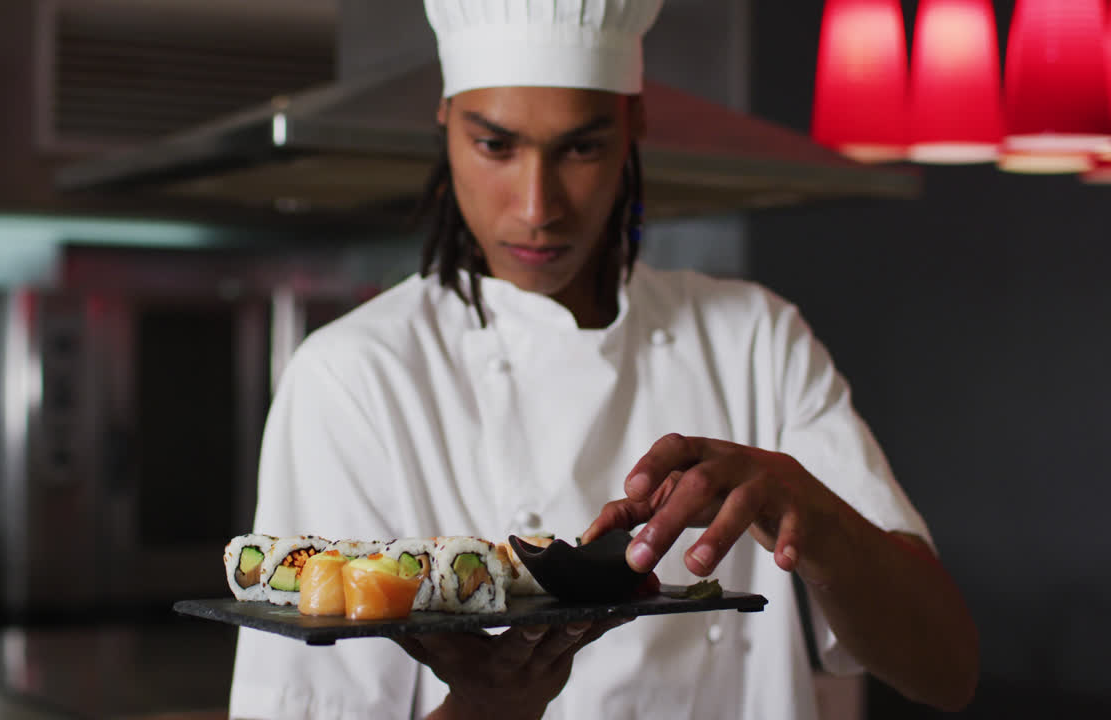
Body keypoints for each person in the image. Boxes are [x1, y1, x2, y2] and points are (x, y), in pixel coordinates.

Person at [229, 1, 978, 718]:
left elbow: (946, 671)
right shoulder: (354, 375)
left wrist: (807, 510)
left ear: (634, 126)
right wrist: (489, 710)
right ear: (446, 124)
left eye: (580, 147)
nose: (537, 206)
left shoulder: (755, 340)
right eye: (496, 145)